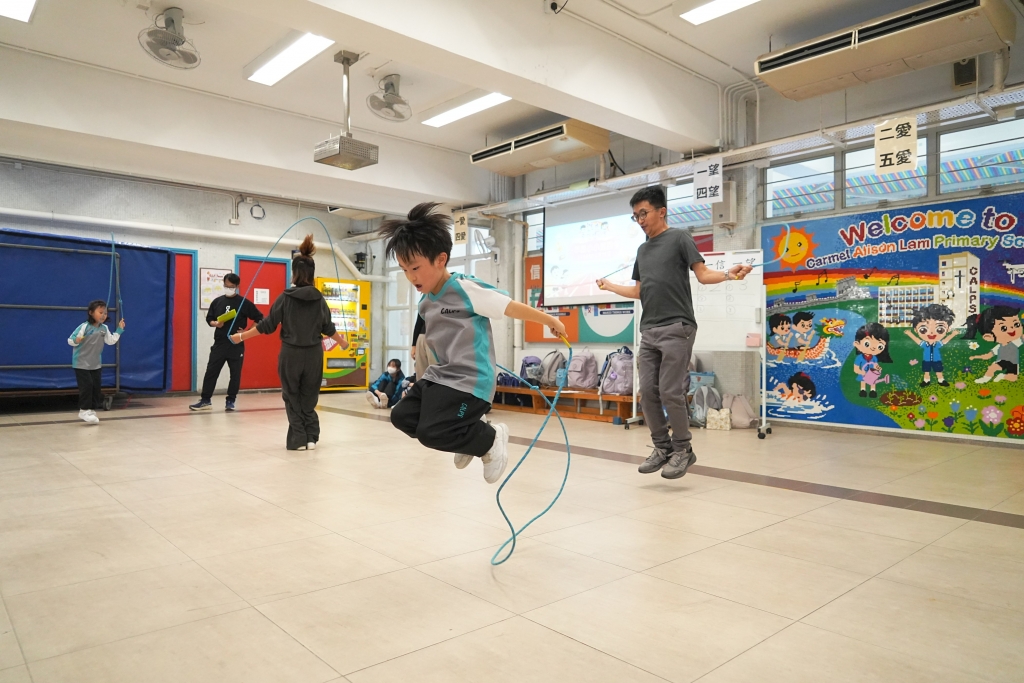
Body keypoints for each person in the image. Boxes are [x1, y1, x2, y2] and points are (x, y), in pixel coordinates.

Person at [380, 202, 566, 484]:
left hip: (470, 381)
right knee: (402, 416)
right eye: (405, 269)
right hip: (441, 377)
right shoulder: (426, 302)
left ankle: (489, 439)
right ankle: (467, 432)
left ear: (440, 259)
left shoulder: (465, 289)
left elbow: (508, 306)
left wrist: (548, 320)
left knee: (432, 433)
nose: (411, 277)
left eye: (415, 267)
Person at [596, 186, 751, 480]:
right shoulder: (642, 250)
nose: (640, 220)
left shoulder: (679, 238)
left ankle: (683, 449)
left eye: (643, 213)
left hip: (677, 326)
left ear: (662, 211)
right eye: (635, 216)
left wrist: (728, 274)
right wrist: (610, 286)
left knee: (670, 390)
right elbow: (640, 291)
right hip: (649, 329)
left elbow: (703, 274)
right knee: (647, 393)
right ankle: (662, 447)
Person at [230, 235, 350, 450]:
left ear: (294, 273)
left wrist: (241, 336)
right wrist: (342, 342)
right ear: (312, 274)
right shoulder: (319, 299)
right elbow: (328, 327)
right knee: (309, 396)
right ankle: (312, 438)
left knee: (291, 395)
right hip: (313, 355)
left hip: (291, 354)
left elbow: (267, 325)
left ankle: (299, 439)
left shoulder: (286, 297)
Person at [190, 273, 263, 412]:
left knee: (235, 373)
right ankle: (205, 400)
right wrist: (215, 323)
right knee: (211, 371)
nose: (228, 288)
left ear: (237, 286)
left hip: (236, 344)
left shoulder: (244, 303)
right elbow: (209, 319)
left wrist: (246, 332)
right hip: (219, 343)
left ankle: (231, 400)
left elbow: (259, 318)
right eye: (226, 286)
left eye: (231, 286)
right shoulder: (217, 302)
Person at [67, 300, 125, 424]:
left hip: (95, 364)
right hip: (81, 363)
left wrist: (119, 330)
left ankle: (91, 410)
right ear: (91, 313)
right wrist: (76, 340)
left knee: (96, 387)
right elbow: (70, 340)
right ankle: (84, 410)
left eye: (105, 313)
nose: (103, 315)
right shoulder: (84, 327)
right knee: (87, 386)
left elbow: (111, 341)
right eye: (100, 312)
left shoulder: (104, 328)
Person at [904, 304, 957, 387]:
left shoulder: (938, 344)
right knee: (926, 371)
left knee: (938, 370)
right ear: (916, 330)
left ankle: (941, 380)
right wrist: (909, 334)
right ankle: (926, 381)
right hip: (926, 360)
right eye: (923, 329)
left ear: (948, 329)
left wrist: (953, 334)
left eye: (940, 329)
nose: (931, 333)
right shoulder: (924, 344)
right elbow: (917, 340)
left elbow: (945, 340)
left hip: (937, 360)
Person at [966, 306, 1022, 384]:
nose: (1012, 329)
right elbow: (988, 356)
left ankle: (1002, 376)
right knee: (992, 368)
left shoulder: (1016, 342)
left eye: (1016, 324)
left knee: (1013, 378)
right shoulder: (999, 347)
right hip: (1002, 361)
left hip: (1013, 364)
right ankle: (985, 378)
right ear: (989, 337)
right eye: (1004, 328)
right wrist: (976, 357)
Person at [852, 322, 892, 398]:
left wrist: (877, 368)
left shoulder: (874, 358)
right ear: (857, 344)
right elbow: (856, 368)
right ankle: (863, 390)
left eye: (879, 346)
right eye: (867, 344)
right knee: (863, 381)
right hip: (863, 373)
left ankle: (872, 391)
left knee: (873, 381)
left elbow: (875, 365)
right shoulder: (859, 358)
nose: (873, 348)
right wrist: (861, 372)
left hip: (871, 373)